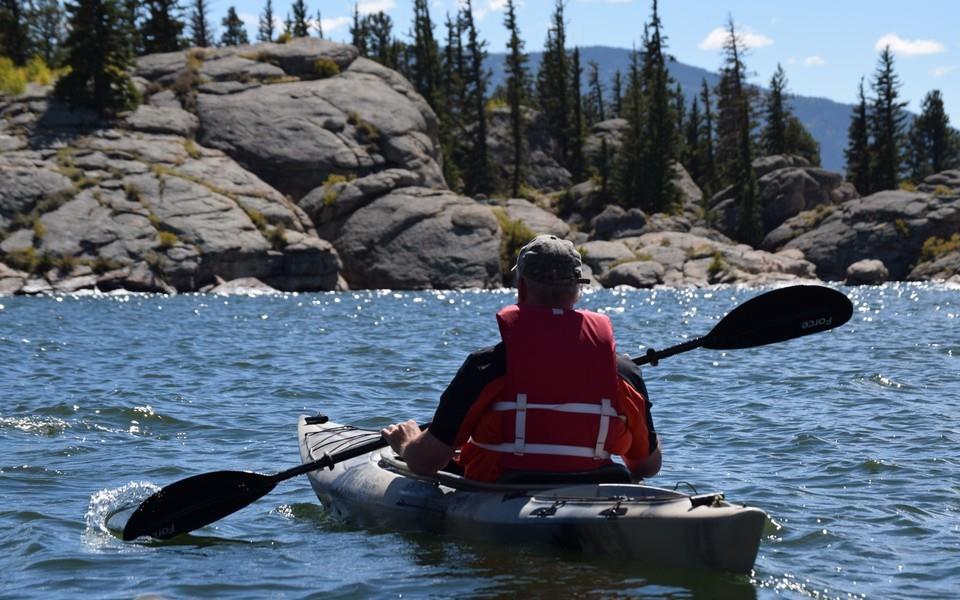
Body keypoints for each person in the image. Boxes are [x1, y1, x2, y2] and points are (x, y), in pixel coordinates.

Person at [381, 234, 661, 482]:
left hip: (505, 492)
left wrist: (406, 444)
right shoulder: (623, 371)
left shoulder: (487, 367)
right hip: (594, 492)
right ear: (578, 290)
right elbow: (647, 466)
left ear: (522, 288)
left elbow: (425, 462)